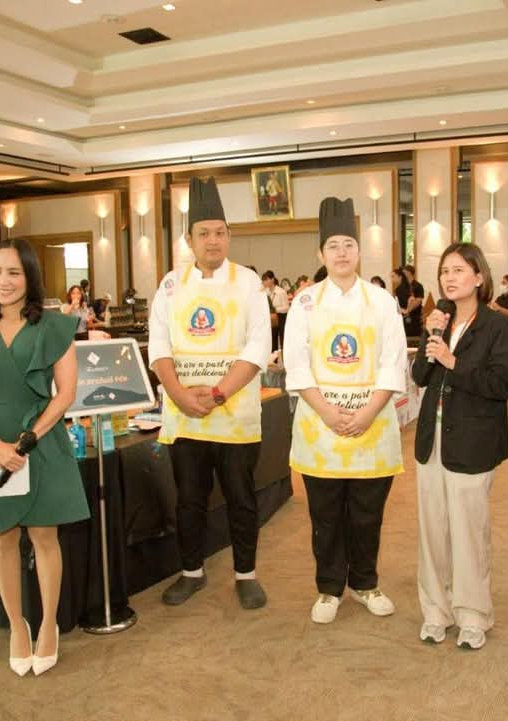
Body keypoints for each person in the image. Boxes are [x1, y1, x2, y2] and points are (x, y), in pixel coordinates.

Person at [0, 238, 89, 676]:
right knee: (2, 539)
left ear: (30, 276)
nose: (3, 281)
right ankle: (16, 626)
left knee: (45, 536)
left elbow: (65, 394)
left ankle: (47, 625)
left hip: (40, 440)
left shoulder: (54, 326)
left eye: (14, 272)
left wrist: (27, 440)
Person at [147, 176, 272, 610]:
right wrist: (179, 395)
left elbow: (258, 346)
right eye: (204, 233)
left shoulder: (249, 282)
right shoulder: (170, 284)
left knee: (241, 498)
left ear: (229, 236)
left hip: (234, 415)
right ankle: (191, 572)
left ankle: (246, 575)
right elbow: (159, 345)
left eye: (220, 232)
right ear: (189, 240)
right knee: (189, 500)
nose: (213, 240)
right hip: (186, 417)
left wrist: (218, 394)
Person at [283, 197, 407, 624]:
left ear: (359, 251)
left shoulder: (382, 301)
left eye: (348, 245)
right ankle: (329, 587)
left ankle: (366, 583)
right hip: (321, 427)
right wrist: (328, 412)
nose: (341, 252)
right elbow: (297, 364)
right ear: (321, 254)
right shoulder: (304, 303)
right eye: (333, 246)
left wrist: (368, 412)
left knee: (368, 514)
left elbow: (393, 361)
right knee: (326, 514)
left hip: (372, 425)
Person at [411, 243, 508, 650]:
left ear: (479, 277)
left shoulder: (497, 326)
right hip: (432, 440)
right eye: (444, 271)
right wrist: (430, 334)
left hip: (473, 441)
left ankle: (473, 614)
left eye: (458, 270)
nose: (449, 278)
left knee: (468, 531)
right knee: (432, 530)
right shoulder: (440, 320)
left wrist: (453, 362)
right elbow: (421, 376)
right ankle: (436, 611)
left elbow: (500, 384)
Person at [261, 270, 290, 351]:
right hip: (272, 317)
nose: (265, 282)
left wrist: (275, 309)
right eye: (264, 280)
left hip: (281, 317)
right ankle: (274, 356)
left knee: (282, 338)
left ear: (272, 279)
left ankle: (284, 355)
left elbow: (286, 307)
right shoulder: (265, 292)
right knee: (272, 338)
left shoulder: (280, 292)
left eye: (267, 279)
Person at [404, 264, 425, 333]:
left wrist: (408, 310)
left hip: (414, 316)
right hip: (403, 316)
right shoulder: (403, 286)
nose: (403, 274)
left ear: (409, 273)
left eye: (404, 272)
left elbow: (418, 301)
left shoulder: (418, 286)